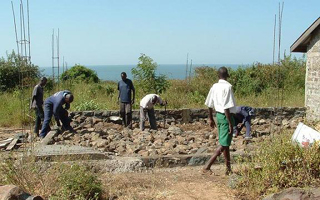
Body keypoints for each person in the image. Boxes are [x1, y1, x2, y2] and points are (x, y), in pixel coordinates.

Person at [202, 67, 236, 176]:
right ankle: (207, 166)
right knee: (223, 144)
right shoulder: (228, 87)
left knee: (225, 143)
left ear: (218, 76)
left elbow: (209, 104)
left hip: (218, 116)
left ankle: (228, 168)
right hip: (226, 117)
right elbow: (226, 106)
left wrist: (211, 118)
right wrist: (230, 123)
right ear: (227, 75)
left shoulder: (214, 87)